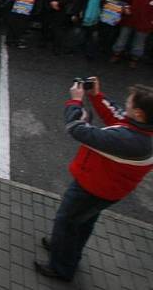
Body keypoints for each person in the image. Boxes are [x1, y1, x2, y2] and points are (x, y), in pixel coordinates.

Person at [35, 79, 153, 282]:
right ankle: (66, 251)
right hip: (106, 190)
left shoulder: (128, 140)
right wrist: (96, 95)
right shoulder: (141, 130)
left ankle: (61, 268)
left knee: (67, 221)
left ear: (139, 114)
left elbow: (78, 129)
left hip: (92, 188)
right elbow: (116, 115)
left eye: (129, 105)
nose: (124, 107)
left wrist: (76, 102)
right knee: (83, 222)